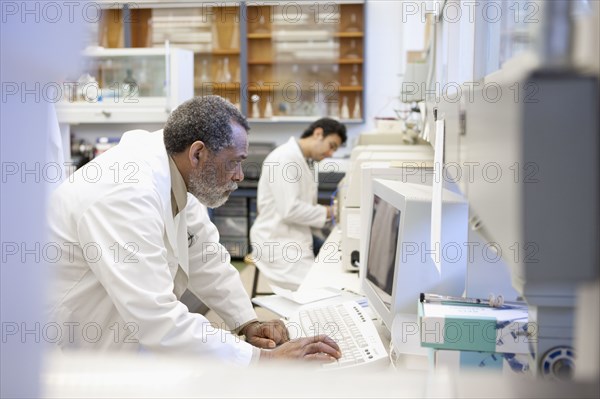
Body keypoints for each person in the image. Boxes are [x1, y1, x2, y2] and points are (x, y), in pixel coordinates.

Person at [46, 96, 341, 365]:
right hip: (62, 349)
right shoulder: (125, 193)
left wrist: (248, 322)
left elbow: (206, 256)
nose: (239, 176)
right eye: (234, 162)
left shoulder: (176, 172)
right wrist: (261, 359)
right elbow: (157, 317)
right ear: (198, 153)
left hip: (118, 338)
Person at [249, 118, 347, 290]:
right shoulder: (285, 158)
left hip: (297, 235)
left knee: (339, 262)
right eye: (331, 145)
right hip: (277, 241)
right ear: (318, 134)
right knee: (318, 290)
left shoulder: (303, 160)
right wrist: (331, 212)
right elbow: (290, 210)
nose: (331, 153)